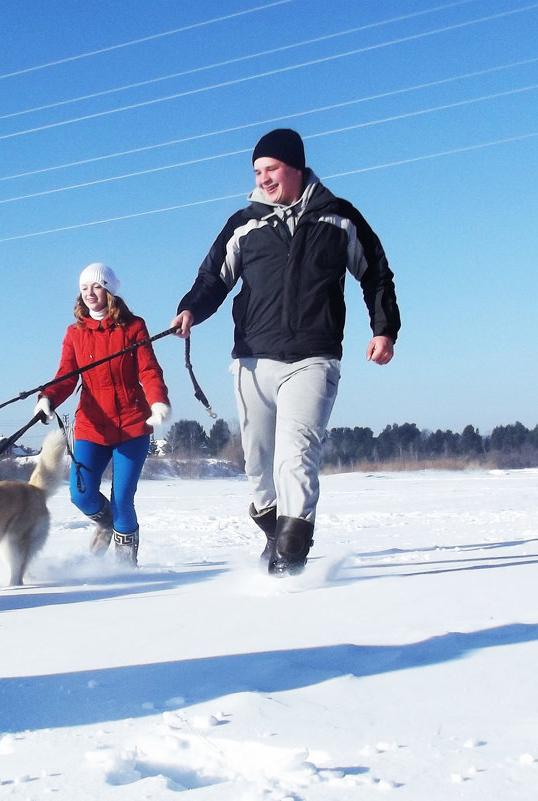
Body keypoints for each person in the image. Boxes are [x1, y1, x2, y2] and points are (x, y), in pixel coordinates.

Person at [171, 128, 400, 576]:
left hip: (313, 357)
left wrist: (384, 329)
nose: (264, 177)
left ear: (296, 166)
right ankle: (276, 535)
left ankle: (289, 562)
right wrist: (190, 311)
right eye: (258, 171)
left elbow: (376, 274)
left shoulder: (339, 218)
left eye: (271, 168)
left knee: (296, 457)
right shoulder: (244, 223)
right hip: (253, 360)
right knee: (258, 467)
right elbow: (214, 278)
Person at [36, 262, 170, 566]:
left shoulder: (134, 327)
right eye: (84, 288)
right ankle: (108, 522)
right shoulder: (75, 333)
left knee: (123, 499)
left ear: (109, 290)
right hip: (92, 426)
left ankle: (126, 568)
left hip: (132, 426)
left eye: (96, 286)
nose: (90, 293)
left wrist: (158, 401)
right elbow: (66, 376)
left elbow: (149, 370)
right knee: (81, 495)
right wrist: (48, 398)